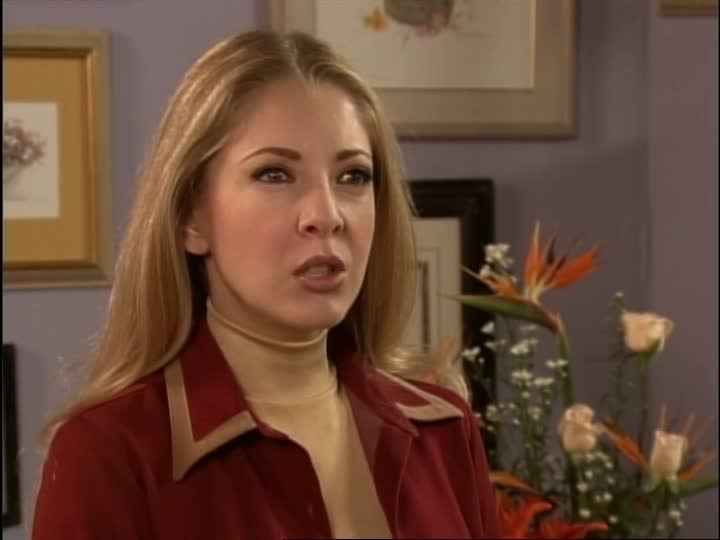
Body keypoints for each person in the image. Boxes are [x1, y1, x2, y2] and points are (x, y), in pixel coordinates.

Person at [32, 30, 499, 540]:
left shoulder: (445, 430)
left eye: (353, 176)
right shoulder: (109, 452)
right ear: (190, 217)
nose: (326, 215)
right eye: (275, 174)